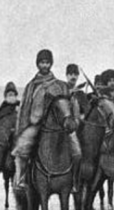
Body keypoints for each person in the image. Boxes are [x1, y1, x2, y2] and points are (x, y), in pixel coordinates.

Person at [12, 49, 81, 191]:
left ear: (51, 64)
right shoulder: (31, 86)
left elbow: (70, 104)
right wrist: (22, 129)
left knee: (77, 151)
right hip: (36, 124)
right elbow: (25, 108)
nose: (44, 65)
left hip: (60, 125)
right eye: (42, 62)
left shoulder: (60, 85)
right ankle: (22, 178)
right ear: (37, 64)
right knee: (22, 148)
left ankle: (73, 181)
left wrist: (74, 120)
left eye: (47, 62)